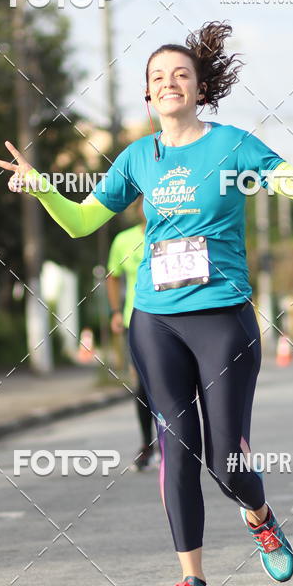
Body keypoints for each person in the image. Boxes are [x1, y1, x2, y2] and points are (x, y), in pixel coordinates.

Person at [0, 20, 293, 586]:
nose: (170, 83)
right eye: (158, 77)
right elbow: (80, 222)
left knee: (225, 461)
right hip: (155, 320)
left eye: (181, 74)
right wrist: (41, 186)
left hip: (223, 321)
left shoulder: (234, 147)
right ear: (147, 95)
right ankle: (192, 582)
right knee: (174, 449)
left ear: (200, 88)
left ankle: (259, 518)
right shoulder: (136, 158)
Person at [106, 197, 155, 471]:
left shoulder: (175, 232)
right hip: (133, 319)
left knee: (171, 384)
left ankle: (176, 442)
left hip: (171, 318)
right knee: (143, 386)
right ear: (138, 210)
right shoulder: (123, 240)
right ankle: (147, 444)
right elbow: (112, 275)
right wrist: (115, 310)